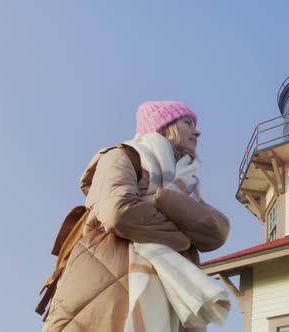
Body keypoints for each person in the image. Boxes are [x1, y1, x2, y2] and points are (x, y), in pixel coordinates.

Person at [43, 101, 230, 332]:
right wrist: (182, 237)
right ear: (164, 126)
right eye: (187, 122)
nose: (197, 131)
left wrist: (159, 199)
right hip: (107, 297)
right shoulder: (121, 156)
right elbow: (119, 212)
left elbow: (216, 232)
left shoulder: (188, 184)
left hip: (171, 308)